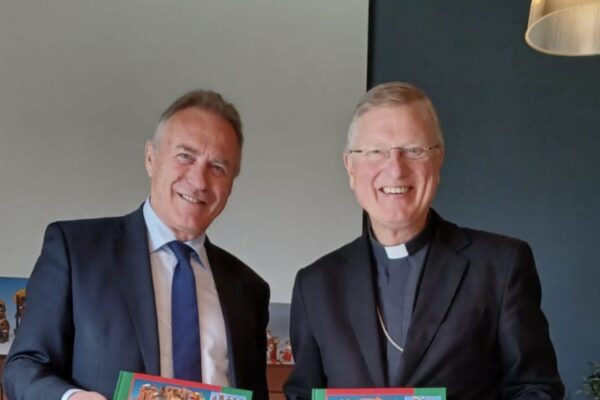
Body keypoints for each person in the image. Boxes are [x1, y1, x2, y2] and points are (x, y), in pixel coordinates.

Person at [283, 82, 564, 400]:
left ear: (438, 159)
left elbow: (536, 389)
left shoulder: (500, 266)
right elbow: (302, 395)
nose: (395, 169)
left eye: (413, 150)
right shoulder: (316, 285)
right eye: (376, 151)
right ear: (350, 166)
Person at [3, 90, 270, 400]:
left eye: (218, 168)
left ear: (230, 186)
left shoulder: (249, 290)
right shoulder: (75, 251)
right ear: (151, 158)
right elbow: (23, 367)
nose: (199, 181)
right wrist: (72, 398)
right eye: (185, 156)